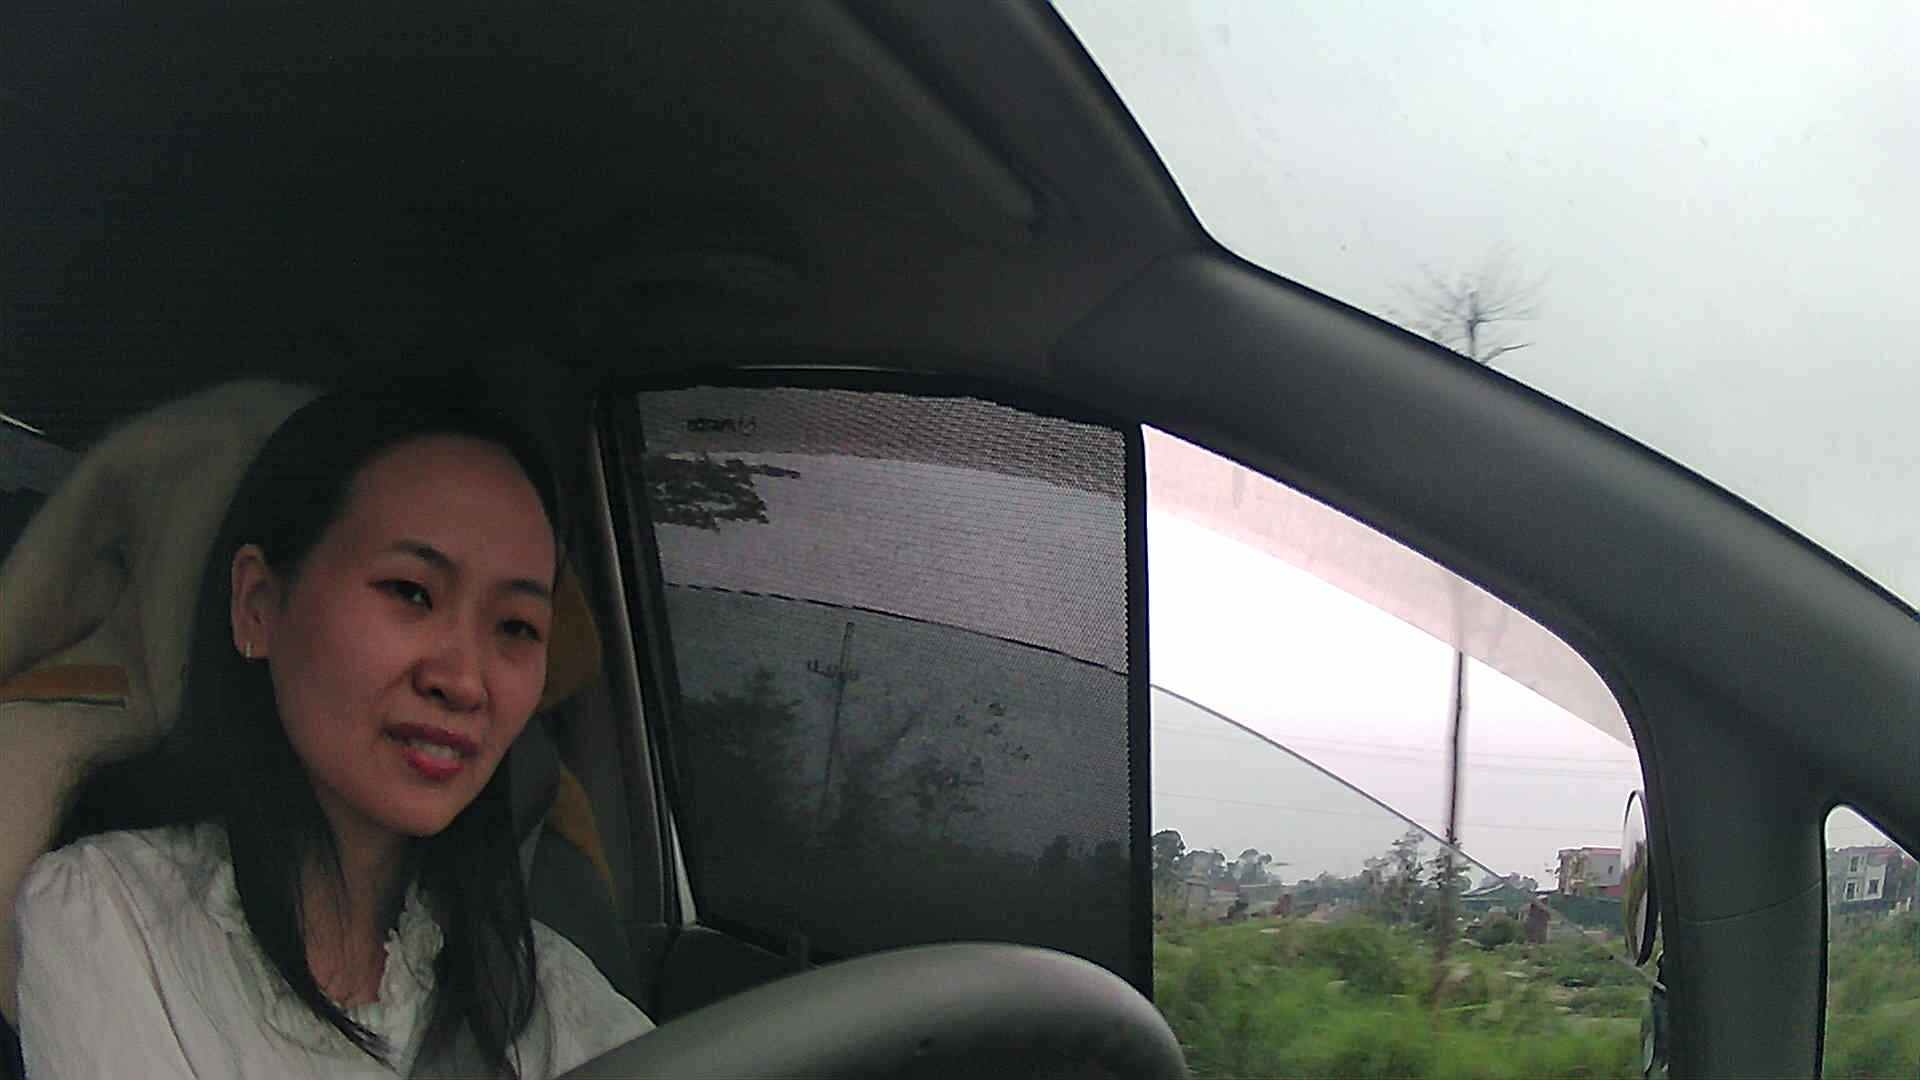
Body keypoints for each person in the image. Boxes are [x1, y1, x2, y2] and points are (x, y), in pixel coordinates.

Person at [13, 384, 653, 1077]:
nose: (465, 681)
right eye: (411, 592)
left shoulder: (548, 995)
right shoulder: (108, 917)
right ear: (258, 605)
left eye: (517, 627)